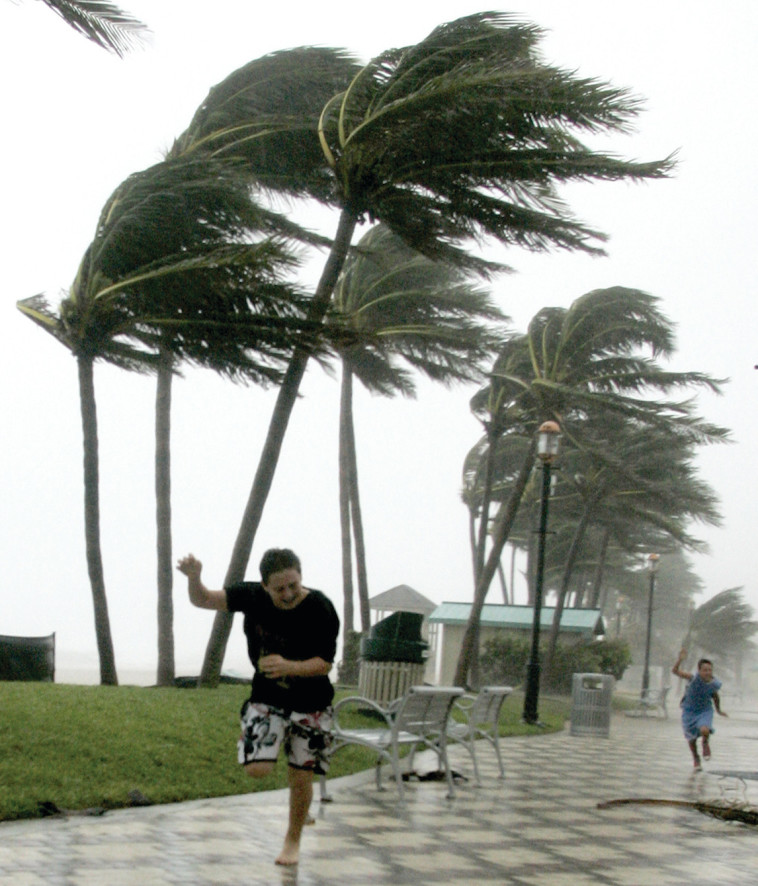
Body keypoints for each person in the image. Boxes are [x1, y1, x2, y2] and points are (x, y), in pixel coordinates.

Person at [177, 548, 339, 866]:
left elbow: (324, 664)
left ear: (300, 576)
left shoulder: (321, 607)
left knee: (301, 776)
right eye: (280, 588)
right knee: (257, 769)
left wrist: (289, 666)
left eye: (294, 584)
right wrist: (195, 579)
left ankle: (292, 840)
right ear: (264, 585)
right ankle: (256, 729)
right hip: (267, 698)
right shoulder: (250, 596)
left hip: (313, 704)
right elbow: (203, 599)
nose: (289, 593)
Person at [672, 648, 727, 771]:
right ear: (699, 671)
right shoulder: (693, 678)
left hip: (704, 710)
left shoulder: (714, 684)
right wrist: (679, 660)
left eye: (710, 670)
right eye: (705, 670)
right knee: (691, 739)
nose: (708, 672)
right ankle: (696, 758)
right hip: (689, 711)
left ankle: (705, 743)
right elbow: (675, 671)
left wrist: (719, 710)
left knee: (705, 730)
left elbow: (715, 697)